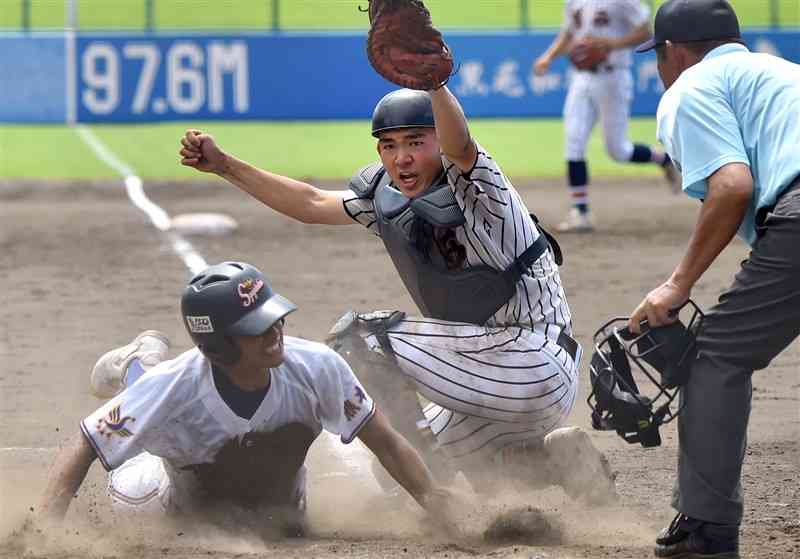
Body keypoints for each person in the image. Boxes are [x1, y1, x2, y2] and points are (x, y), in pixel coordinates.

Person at [178, 85, 617, 504]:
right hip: (490, 376)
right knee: (404, 473)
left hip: (534, 361)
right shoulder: (388, 198)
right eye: (389, 145)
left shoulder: (481, 189)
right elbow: (311, 203)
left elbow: (462, 146)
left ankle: (434, 483)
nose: (402, 158)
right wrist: (224, 166)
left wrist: (435, 85)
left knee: (361, 341)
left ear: (439, 141)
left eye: (416, 142)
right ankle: (562, 463)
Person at [38, 261, 458, 537]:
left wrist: (432, 500)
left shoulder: (316, 366)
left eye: (274, 317)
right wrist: (43, 536)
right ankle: (136, 363)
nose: (276, 331)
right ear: (216, 344)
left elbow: (384, 439)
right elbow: (86, 442)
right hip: (160, 503)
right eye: (257, 326)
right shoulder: (173, 388)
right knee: (146, 402)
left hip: (279, 515)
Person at [628, 0, 800, 557]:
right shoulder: (782, 72)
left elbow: (731, 187)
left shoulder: (690, 86)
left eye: (657, 57)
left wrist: (677, 284)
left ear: (672, 53)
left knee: (715, 359)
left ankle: (705, 531)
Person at [533, 0, 680, 233]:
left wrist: (611, 44)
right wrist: (549, 56)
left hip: (613, 77)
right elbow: (569, 33)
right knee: (574, 142)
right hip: (581, 79)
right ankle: (580, 212)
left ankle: (663, 159)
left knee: (618, 150)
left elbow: (645, 31)